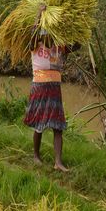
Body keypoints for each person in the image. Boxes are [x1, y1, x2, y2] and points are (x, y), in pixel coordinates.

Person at [23, 15, 79, 172]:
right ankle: (35, 155)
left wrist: (73, 25)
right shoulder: (36, 44)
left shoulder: (59, 47)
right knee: (39, 124)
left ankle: (58, 162)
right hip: (40, 86)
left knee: (57, 126)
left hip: (55, 88)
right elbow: (33, 33)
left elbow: (77, 44)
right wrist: (39, 16)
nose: (49, 36)